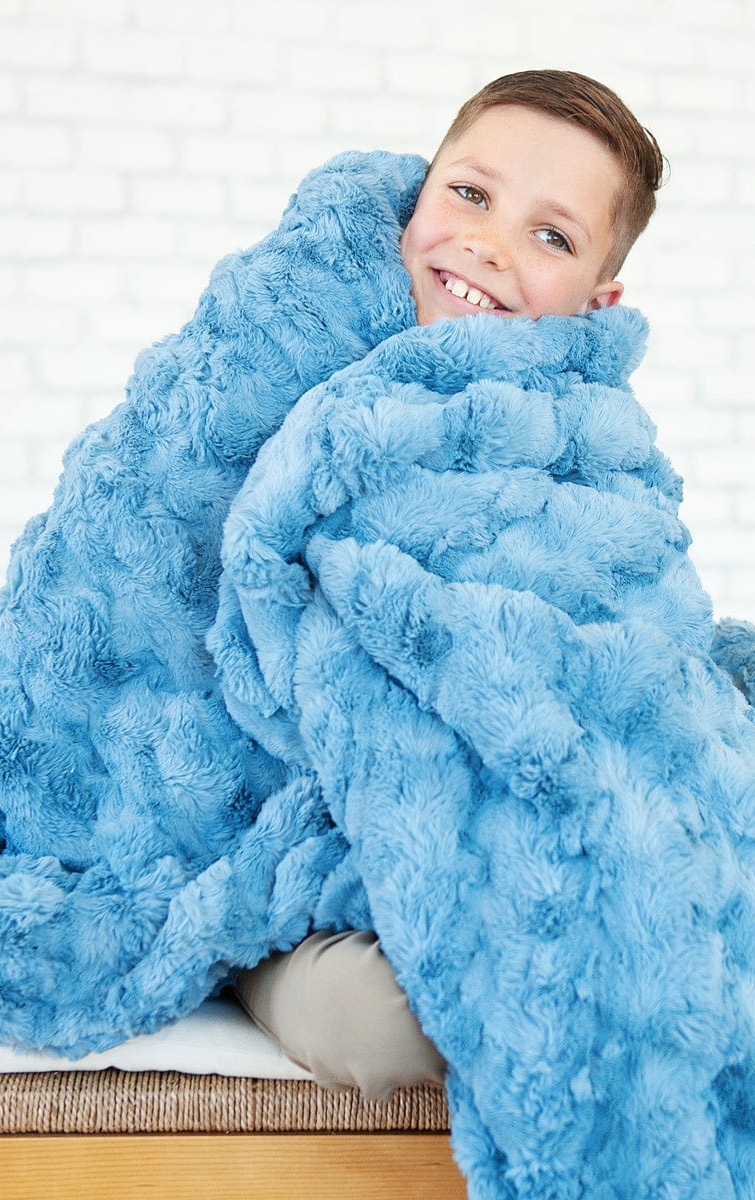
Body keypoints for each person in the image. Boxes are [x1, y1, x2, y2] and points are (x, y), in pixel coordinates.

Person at [234, 67, 665, 1100]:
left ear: (598, 302)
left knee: (593, 961)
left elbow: (616, 677)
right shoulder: (283, 341)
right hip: (271, 820)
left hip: (463, 825)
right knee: (392, 1025)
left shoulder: (587, 455)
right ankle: (230, 934)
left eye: (551, 236)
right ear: (421, 196)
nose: (488, 246)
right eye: (470, 196)